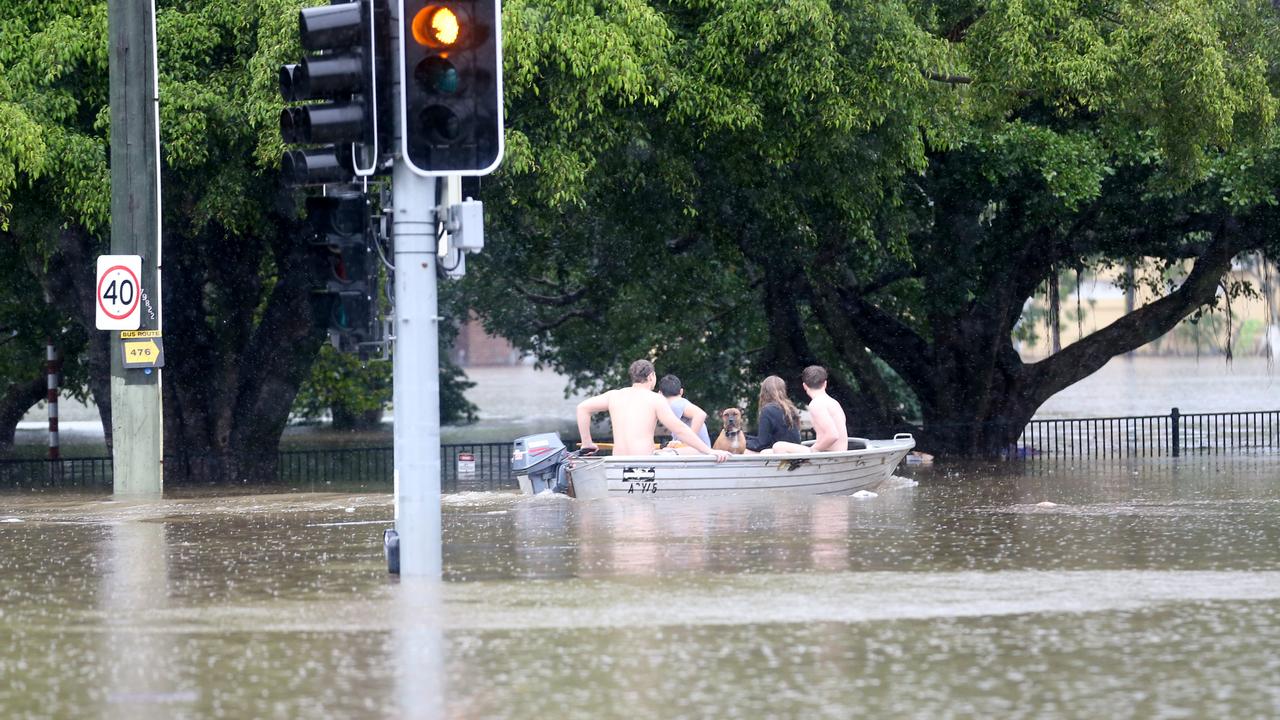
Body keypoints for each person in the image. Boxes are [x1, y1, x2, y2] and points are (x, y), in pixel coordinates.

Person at [577, 360, 730, 461]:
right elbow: (680, 429)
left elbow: (582, 408)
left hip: (617, 461)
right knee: (698, 451)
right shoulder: (655, 399)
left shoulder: (613, 396)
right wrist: (709, 451)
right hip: (645, 462)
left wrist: (587, 443)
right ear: (651, 376)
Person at [773, 365, 849, 454]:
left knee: (778, 446)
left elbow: (832, 435)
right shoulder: (833, 402)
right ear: (825, 384)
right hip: (836, 453)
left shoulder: (816, 404)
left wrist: (813, 450)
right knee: (766, 452)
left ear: (804, 386)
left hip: (832, 455)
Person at [745, 375, 802, 453]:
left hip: (779, 455)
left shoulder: (767, 410)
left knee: (743, 451)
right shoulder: (791, 408)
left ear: (764, 392)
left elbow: (762, 443)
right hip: (795, 453)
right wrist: (746, 438)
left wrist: (742, 442)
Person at [657, 374, 711, 448]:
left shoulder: (677, 403)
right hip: (696, 449)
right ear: (681, 391)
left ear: (660, 393)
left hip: (698, 450)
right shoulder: (674, 405)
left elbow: (700, 414)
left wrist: (689, 440)